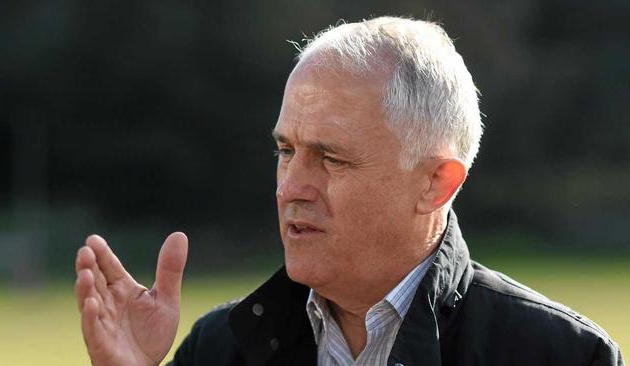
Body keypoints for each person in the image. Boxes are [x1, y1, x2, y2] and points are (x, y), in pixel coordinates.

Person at [74, 16, 624, 366]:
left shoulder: (562, 356)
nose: (291, 188)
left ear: (436, 183)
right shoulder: (221, 348)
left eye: (330, 158)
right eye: (286, 151)